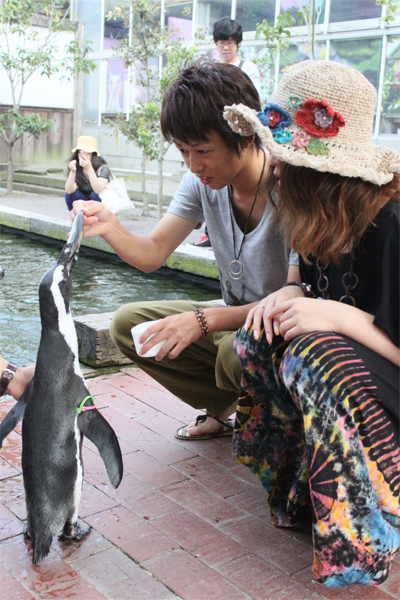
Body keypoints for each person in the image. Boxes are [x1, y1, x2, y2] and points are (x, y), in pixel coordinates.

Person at [223, 60, 400, 587]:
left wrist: (336, 315)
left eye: (284, 158)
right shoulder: (312, 209)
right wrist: (291, 292)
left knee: (315, 353)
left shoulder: (391, 225)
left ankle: (363, 536)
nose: (274, 168)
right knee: (259, 333)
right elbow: (303, 271)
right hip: (357, 360)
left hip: (382, 371)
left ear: (322, 170)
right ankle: (299, 489)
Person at [72, 60, 299, 440]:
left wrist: (203, 319)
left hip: (284, 329)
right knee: (129, 325)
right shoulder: (201, 183)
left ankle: (278, 426)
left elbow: (297, 298)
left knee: (233, 352)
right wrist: (110, 226)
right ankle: (226, 408)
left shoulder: (291, 190)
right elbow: (152, 253)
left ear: (245, 136)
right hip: (234, 321)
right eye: (182, 151)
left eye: (202, 150)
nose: (193, 165)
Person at [191, 17, 263, 249]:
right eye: (222, 42)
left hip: (237, 131)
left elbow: (253, 101)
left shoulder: (247, 68)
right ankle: (210, 231)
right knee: (214, 181)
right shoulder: (208, 67)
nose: (225, 47)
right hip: (214, 129)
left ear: (238, 44)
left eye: (230, 42)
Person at [65, 136, 111, 221]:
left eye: (87, 153)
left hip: (100, 202)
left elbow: (99, 190)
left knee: (95, 194)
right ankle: (77, 218)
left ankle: (97, 219)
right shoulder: (77, 166)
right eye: (80, 152)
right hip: (85, 200)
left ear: (93, 154)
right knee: (69, 195)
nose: (83, 155)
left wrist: (89, 169)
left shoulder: (103, 168)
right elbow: (69, 190)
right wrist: (72, 171)